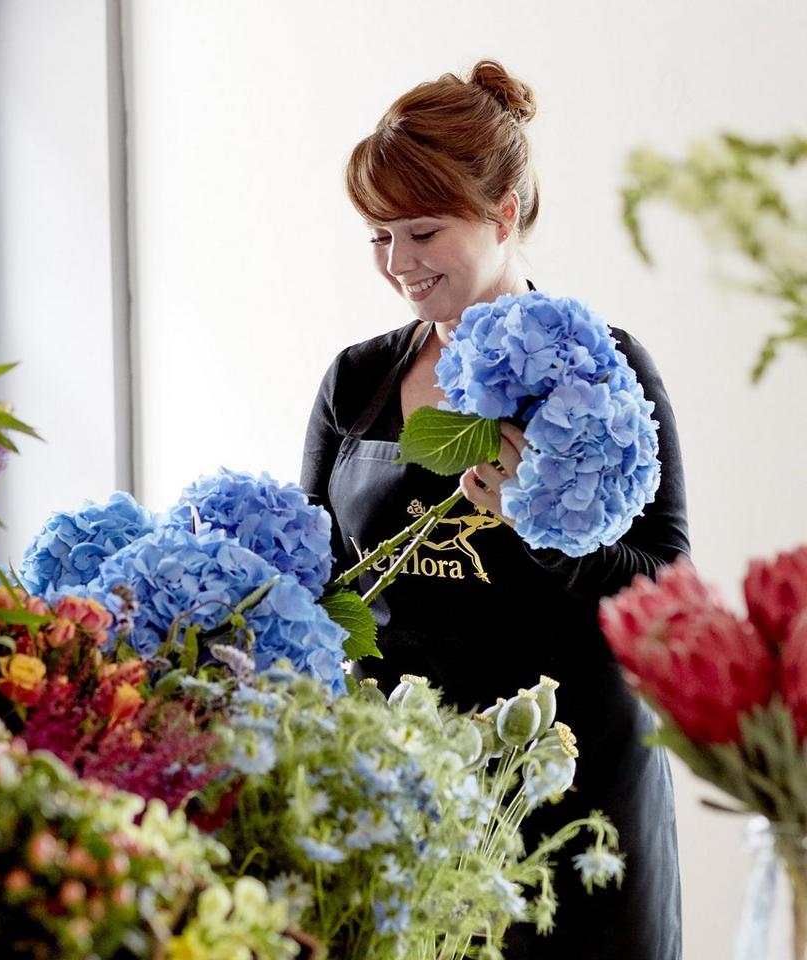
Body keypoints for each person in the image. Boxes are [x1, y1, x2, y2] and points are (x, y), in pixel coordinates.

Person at [300, 59, 688, 960]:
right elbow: (316, 586)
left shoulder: (603, 373)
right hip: (405, 788)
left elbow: (667, 588)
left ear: (505, 212)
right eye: (378, 235)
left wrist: (542, 528)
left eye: (423, 231)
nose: (398, 264)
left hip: (572, 790)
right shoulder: (357, 381)